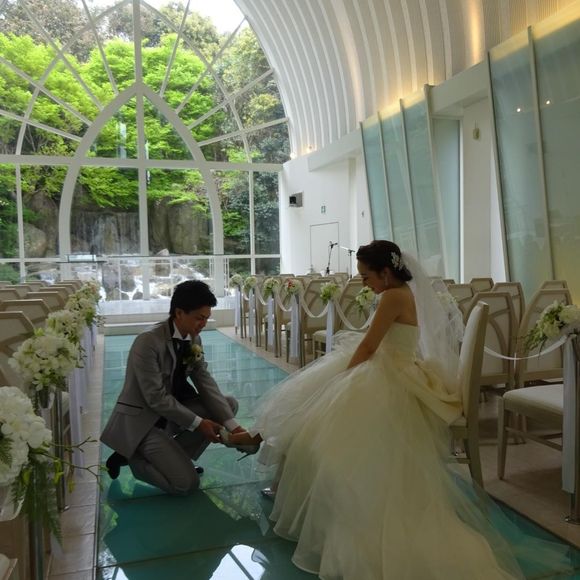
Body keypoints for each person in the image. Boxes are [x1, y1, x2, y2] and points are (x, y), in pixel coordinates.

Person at [222, 241, 570, 579]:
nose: (364, 283)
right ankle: (270, 453)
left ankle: (307, 487)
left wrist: (340, 377)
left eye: (366, 276)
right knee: (311, 405)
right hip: (395, 366)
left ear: (386, 273)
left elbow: (369, 346)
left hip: (390, 372)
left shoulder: (393, 296)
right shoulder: (400, 292)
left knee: (320, 412)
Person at [101, 280, 250, 495]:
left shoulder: (194, 338)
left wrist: (234, 427)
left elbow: (203, 379)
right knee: (186, 484)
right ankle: (134, 456)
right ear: (179, 313)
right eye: (199, 318)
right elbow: (155, 398)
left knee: (228, 405)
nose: (203, 323)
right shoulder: (148, 341)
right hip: (146, 422)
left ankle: (172, 460)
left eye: (206, 318)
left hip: (171, 415)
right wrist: (199, 423)